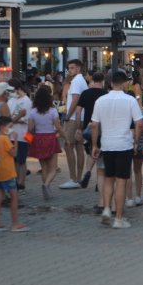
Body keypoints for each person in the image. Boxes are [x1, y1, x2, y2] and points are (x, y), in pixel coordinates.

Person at [91, 71, 143, 229]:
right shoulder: (130, 100)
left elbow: (94, 124)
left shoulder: (101, 100)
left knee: (109, 178)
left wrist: (94, 144)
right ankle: (118, 218)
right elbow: (139, 123)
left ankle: (106, 208)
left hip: (107, 144)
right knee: (121, 182)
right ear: (125, 83)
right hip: (124, 144)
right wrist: (135, 141)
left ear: (110, 83)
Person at [27, 85, 66, 201]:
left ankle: (46, 189)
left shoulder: (33, 112)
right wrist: (66, 138)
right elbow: (58, 127)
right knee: (53, 168)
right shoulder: (53, 111)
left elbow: (30, 129)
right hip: (50, 138)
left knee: (44, 168)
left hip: (38, 139)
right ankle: (46, 185)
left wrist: (29, 140)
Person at [0, 116, 29, 233]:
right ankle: (15, 223)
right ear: (3, 127)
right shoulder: (5, 139)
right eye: (10, 127)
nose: (11, 129)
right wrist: (16, 140)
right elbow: (14, 153)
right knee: (14, 197)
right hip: (8, 172)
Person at [75, 71, 107, 197]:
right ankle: (100, 182)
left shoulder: (85, 93)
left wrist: (79, 127)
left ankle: (87, 171)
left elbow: (78, 112)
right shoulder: (105, 94)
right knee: (101, 152)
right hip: (102, 127)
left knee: (90, 150)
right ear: (103, 81)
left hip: (88, 127)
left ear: (92, 80)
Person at [60, 59, 88, 190]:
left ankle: (73, 178)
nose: (70, 70)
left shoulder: (76, 81)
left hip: (73, 118)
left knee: (68, 145)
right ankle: (78, 177)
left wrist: (67, 115)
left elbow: (75, 100)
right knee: (79, 146)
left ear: (78, 68)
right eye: (69, 68)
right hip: (80, 117)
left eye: (72, 68)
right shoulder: (81, 80)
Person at [7, 78, 32, 194]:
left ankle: (22, 183)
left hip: (22, 135)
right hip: (10, 135)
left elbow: (25, 119)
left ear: (18, 89)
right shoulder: (11, 100)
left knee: (21, 161)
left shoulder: (27, 101)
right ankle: (16, 182)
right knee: (13, 160)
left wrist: (13, 120)